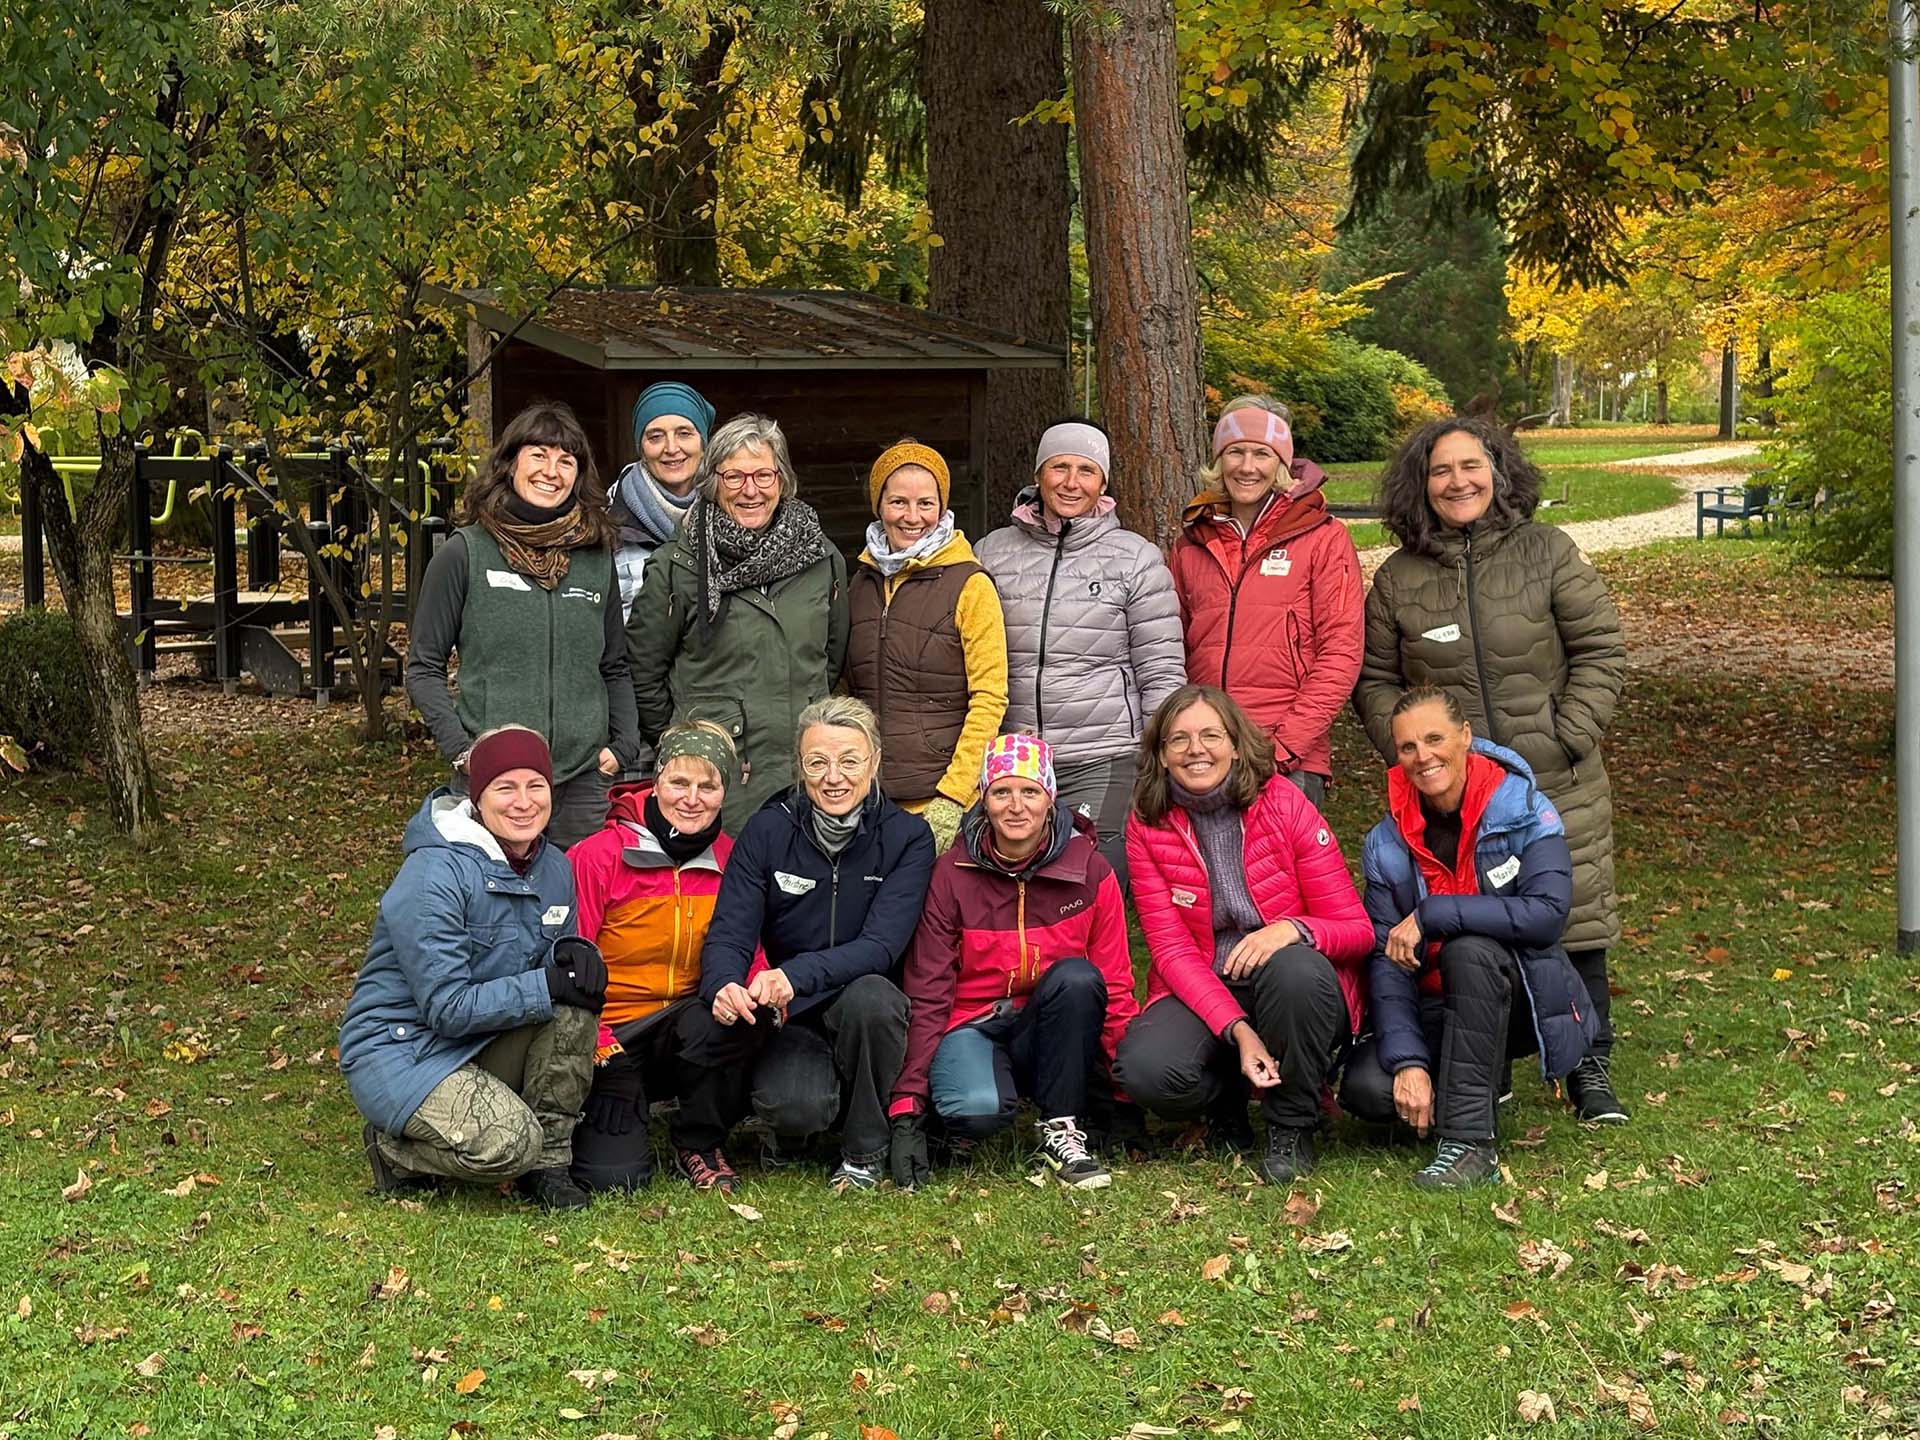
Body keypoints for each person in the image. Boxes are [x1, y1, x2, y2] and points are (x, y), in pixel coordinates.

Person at [1354, 416, 1629, 1124]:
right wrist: (1413, 754)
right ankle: (1487, 1057)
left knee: (1576, 920)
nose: (1458, 482)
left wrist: (1566, 736)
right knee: (1472, 927)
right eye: (1441, 471)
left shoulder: (1547, 552)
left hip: (1556, 777)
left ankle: (1588, 1066)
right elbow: (1376, 680)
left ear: (1499, 472)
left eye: (1471, 466)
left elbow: (1600, 647)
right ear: (1421, 486)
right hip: (1454, 796)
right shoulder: (1400, 579)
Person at [339, 727, 606, 1210]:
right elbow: (446, 1007)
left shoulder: (555, 868)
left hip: (483, 1037)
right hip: (404, 1049)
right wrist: (547, 983)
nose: (523, 802)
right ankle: (394, 1152)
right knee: (508, 1145)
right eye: (506, 788)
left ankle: (549, 1164)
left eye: (536, 786)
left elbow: (552, 969)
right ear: (478, 798)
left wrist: (576, 961)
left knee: (574, 1011)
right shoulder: (434, 873)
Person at [1116, 686, 1374, 1184]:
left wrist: (1291, 929)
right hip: (1207, 984)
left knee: (1294, 971)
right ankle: (1226, 1110)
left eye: (1211, 735)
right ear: (1161, 756)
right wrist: (1239, 1030)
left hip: (1298, 986)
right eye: (1179, 739)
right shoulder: (1147, 824)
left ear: (1236, 745)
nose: (1196, 750)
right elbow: (1170, 950)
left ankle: (1291, 1124)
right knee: (1148, 1070)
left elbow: (1357, 930)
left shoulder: (1284, 802)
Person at [1343, 687, 1599, 1188]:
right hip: (1435, 1002)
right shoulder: (1386, 840)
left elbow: (1547, 916)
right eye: (1408, 747)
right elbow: (1386, 957)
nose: (1423, 757)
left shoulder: (1524, 808)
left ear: (1465, 737)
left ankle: (1469, 1144)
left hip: (1521, 996)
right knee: (1367, 1091)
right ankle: (1475, 1083)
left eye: (1435, 738)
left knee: (1469, 948)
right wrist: (1410, 1063)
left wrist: (1434, 913)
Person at [697, 696, 935, 1191]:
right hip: (792, 1014)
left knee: (875, 997)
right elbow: (730, 930)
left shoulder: (908, 837)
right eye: (818, 762)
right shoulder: (767, 829)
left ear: (874, 762)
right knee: (794, 1106)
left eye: (850, 761)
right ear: (800, 766)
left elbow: (881, 947)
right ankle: (793, 1134)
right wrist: (721, 984)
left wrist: (793, 975)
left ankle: (865, 1150)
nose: (834, 777)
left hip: (864, 1006)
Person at [887, 734, 1138, 1192]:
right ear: (984, 799)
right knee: (976, 1112)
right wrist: (908, 1105)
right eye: (1001, 791)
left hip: (1050, 1025)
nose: (1016, 806)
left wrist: (1123, 1093)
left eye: (1030, 791)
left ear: (1050, 798)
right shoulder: (951, 874)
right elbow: (928, 989)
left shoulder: (1091, 870)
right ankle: (961, 1110)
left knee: (1079, 978)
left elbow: (1116, 983)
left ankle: (1061, 1129)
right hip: (973, 1022)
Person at [406, 403, 639, 849]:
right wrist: (463, 751)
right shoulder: (465, 553)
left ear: (579, 475)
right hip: (495, 780)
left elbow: (614, 665)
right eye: (539, 455)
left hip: (582, 783)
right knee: (490, 907)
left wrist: (623, 745)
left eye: (566, 461)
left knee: (576, 911)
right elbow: (422, 668)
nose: (551, 471)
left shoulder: (595, 557)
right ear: (510, 462)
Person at [976, 418, 1186, 878]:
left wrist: (1160, 757)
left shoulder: (1136, 558)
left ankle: (1090, 955)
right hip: (1017, 753)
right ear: (1038, 475)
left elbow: (1161, 670)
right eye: (1060, 467)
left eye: (1086, 471)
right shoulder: (991, 553)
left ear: (1103, 483)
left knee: (1091, 877)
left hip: (1101, 752)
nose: (1072, 483)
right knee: (1009, 879)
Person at [627, 412, 850, 833]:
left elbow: (830, 659)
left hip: (805, 773)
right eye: (734, 478)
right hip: (718, 779)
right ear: (713, 483)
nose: (751, 491)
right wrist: (683, 743)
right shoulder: (680, 566)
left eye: (763, 475)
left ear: (782, 481)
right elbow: (643, 671)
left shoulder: (822, 559)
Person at [565, 721, 759, 1193]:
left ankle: (700, 1139)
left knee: (739, 1018)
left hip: (684, 1024)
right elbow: (567, 961)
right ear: (656, 783)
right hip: (611, 1033)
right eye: (679, 782)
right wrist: (599, 1044)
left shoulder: (733, 859)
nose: (692, 798)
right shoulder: (598, 856)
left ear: (723, 793)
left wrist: (758, 986)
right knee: (615, 1179)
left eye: (707, 786)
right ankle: (610, 1104)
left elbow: (749, 949)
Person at [1169, 396, 1363, 810]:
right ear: (1219, 460)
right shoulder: (1191, 544)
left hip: (1288, 759)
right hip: (1204, 755)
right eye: (1235, 452)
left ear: (1281, 462)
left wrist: (1282, 748)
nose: (1247, 466)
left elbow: (1341, 653)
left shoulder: (1323, 538)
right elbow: (1173, 650)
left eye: (1262, 453)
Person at [846, 439, 1009, 856]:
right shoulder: (861, 583)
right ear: (879, 505)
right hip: (868, 798)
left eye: (926, 503)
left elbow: (990, 698)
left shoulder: (969, 584)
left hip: (938, 797)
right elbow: (846, 689)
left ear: (943, 506)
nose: (912, 517)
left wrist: (953, 796)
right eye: (898, 501)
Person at [609, 381, 716, 619]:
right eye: (655, 437)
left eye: (684, 433)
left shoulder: (729, 513)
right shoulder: (607, 523)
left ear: (703, 442)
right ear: (642, 448)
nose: (671, 448)